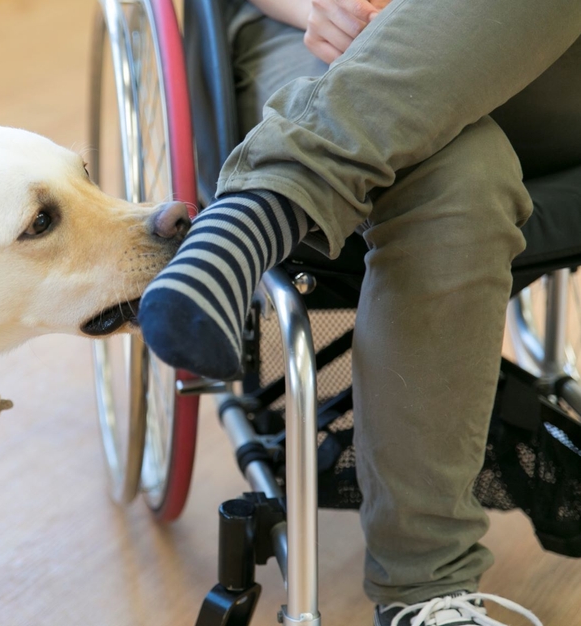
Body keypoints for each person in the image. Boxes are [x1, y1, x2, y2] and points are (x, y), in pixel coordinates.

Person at [135, 0, 581, 624]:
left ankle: (256, 211)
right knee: (457, 173)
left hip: (545, 53)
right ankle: (426, 594)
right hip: (319, 37)